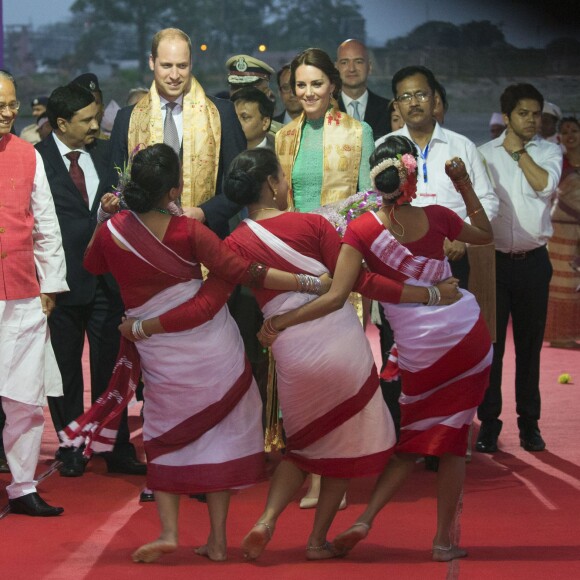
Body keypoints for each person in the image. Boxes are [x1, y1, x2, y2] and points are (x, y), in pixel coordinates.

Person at [82, 143, 331, 562]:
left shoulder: (113, 232)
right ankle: (217, 540)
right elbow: (239, 271)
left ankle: (169, 530)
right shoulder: (188, 231)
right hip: (210, 345)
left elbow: (91, 266)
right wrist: (308, 283)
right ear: (175, 188)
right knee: (216, 438)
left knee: (162, 430)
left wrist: (105, 219)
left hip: (158, 350)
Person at [259, 135, 493, 561]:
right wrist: (461, 183)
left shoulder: (362, 230)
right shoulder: (438, 216)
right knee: (453, 442)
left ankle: (365, 520)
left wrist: (280, 322)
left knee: (413, 439)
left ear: (377, 185)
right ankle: (442, 541)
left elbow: (334, 296)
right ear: (412, 181)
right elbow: (485, 233)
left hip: (419, 349)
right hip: (466, 334)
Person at [276, 46, 376, 506]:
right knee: (302, 367)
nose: (309, 92)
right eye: (301, 85)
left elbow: (370, 201)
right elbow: (281, 205)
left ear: (333, 86)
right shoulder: (284, 136)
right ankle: (307, 461)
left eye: (317, 83)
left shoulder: (359, 132)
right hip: (296, 265)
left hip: (341, 262)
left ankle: (330, 472)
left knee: (336, 368)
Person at [37, 83, 145, 477]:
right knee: (64, 370)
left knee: (110, 368)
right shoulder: (37, 159)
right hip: (60, 283)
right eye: (86, 120)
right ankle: (70, 446)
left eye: (96, 117)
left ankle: (114, 446)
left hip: (106, 281)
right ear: (61, 123)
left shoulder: (105, 154)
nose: (95, 125)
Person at [476, 83, 562, 453]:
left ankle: (530, 425)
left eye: (536, 114)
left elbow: (545, 186)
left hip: (533, 263)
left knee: (530, 349)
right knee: (491, 348)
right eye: (523, 113)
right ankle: (489, 425)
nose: (531, 120)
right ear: (506, 116)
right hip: (493, 264)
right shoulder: (481, 155)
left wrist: (519, 153)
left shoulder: (549, 151)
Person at [0, 70, 68, 516]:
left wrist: (51, 285)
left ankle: (23, 486)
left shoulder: (28, 154)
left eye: (12, 105)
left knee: (25, 397)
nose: (8, 114)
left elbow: (46, 223)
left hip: (23, 291)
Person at [109, 28, 246, 239]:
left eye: (182, 66)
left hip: (205, 239)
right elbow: (115, 184)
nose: (174, 75)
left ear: (191, 63)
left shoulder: (221, 114)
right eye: (166, 66)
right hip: (144, 239)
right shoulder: (127, 119)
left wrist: (205, 212)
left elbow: (241, 183)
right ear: (152, 62)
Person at [545, 117, 580, 349]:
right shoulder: (559, 163)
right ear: (560, 138)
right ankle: (560, 335)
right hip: (561, 231)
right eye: (565, 131)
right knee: (563, 284)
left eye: (574, 130)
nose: (570, 135)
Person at [335, 39, 390, 141]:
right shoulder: (325, 109)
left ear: (370, 66)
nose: (351, 69)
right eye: (344, 62)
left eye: (358, 61)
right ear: (336, 67)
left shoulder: (389, 110)